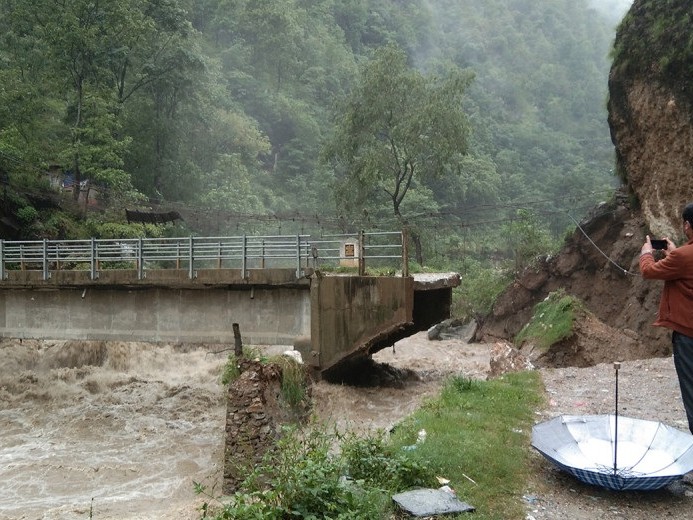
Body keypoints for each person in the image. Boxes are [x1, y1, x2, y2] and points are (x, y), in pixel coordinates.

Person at [640, 202, 693, 434]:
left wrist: (646, 254)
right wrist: (674, 254)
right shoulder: (680, 256)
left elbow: (648, 271)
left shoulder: (682, 257)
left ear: (687, 225)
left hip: (688, 335)